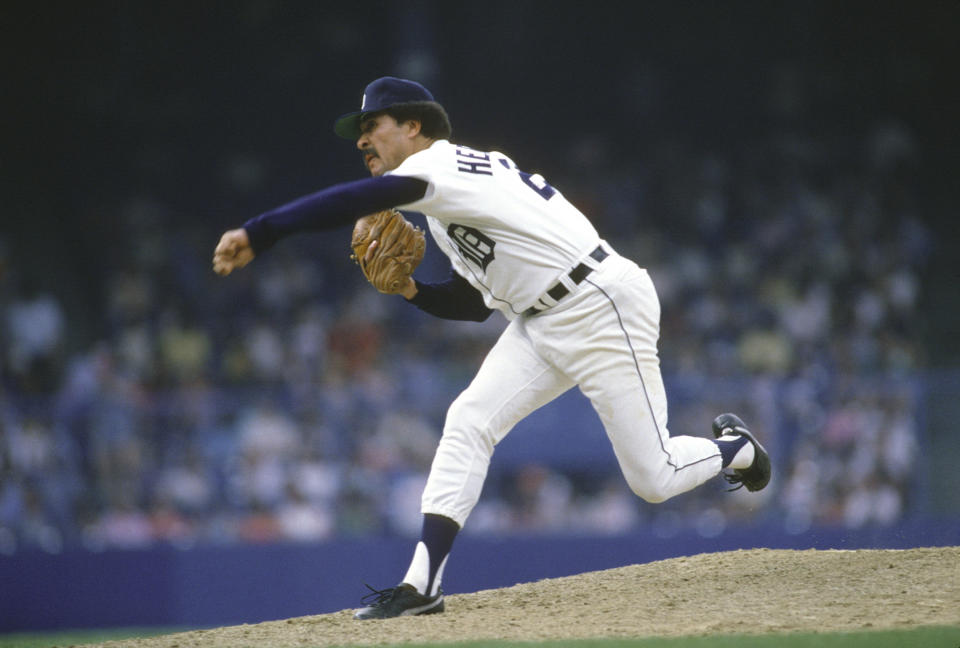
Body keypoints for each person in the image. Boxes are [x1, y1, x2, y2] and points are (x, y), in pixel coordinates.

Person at [212, 76, 771, 619]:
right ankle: (422, 583)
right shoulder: (450, 200)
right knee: (468, 419)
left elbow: (357, 198)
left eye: (371, 124)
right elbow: (476, 304)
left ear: (413, 126)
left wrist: (262, 231)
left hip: (600, 305)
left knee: (654, 478)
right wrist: (409, 289)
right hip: (541, 318)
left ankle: (736, 449)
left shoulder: (438, 165)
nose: (361, 139)